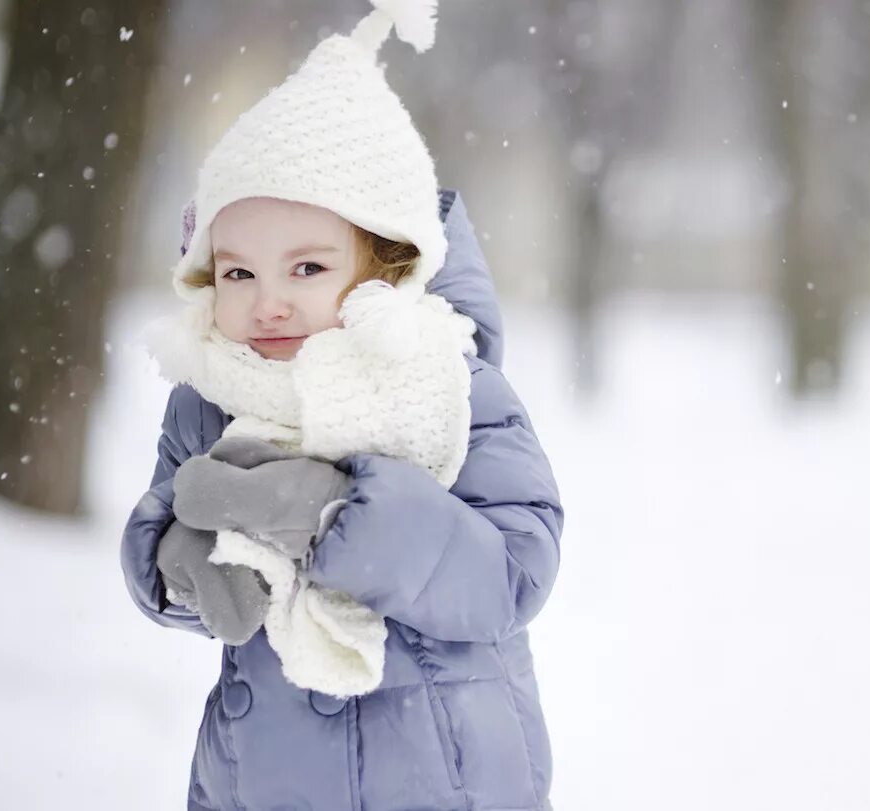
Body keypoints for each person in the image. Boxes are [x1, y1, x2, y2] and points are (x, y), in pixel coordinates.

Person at [118, 3, 563, 808]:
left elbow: (513, 569)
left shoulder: (451, 388)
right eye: (238, 273)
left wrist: (337, 516)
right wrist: (181, 568)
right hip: (262, 775)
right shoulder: (209, 401)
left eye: (307, 268)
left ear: (386, 267)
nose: (268, 303)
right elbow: (170, 527)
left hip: (441, 779)